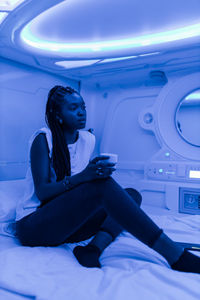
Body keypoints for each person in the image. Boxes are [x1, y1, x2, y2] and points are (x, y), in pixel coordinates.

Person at [15, 85, 200, 273]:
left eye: (83, 107)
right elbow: (42, 192)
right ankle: (176, 256)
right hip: (34, 226)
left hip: (67, 224)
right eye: (73, 108)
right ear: (57, 114)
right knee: (103, 188)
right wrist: (85, 177)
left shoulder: (87, 139)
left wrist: (94, 174)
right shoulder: (44, 138)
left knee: (132, 195)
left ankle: (92, 249)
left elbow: (79, 189)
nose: (81, 113)